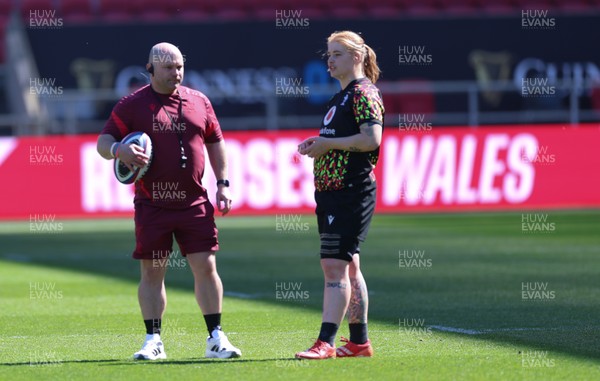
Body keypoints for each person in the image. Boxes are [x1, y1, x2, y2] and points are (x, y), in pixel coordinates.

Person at [97, 42, 241, 360]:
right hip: (153, 203)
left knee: (206, 267)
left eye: (179, 66)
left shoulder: (199, 101)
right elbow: (103, 141)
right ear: (150, 69)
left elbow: (216, 142)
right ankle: (153, 341)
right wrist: (118, 149)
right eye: (168, 67)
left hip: (194, 202)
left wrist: (223, 184)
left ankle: (216, 338)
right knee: (152, 272)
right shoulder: (131, 105)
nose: (176, 72)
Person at [296, 31, 384, 359]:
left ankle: (326, 342)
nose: (329, 60)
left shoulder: (363, 93)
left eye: (337, 54)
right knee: (349, 268)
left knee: (333, 266)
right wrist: (318, 144)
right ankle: (359, 342)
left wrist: (328, 144)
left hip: (350, 191)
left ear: (356, 58)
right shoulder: (341, 97)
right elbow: (343, 137)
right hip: (333, 193)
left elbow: (371, 138)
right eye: (329, 54)